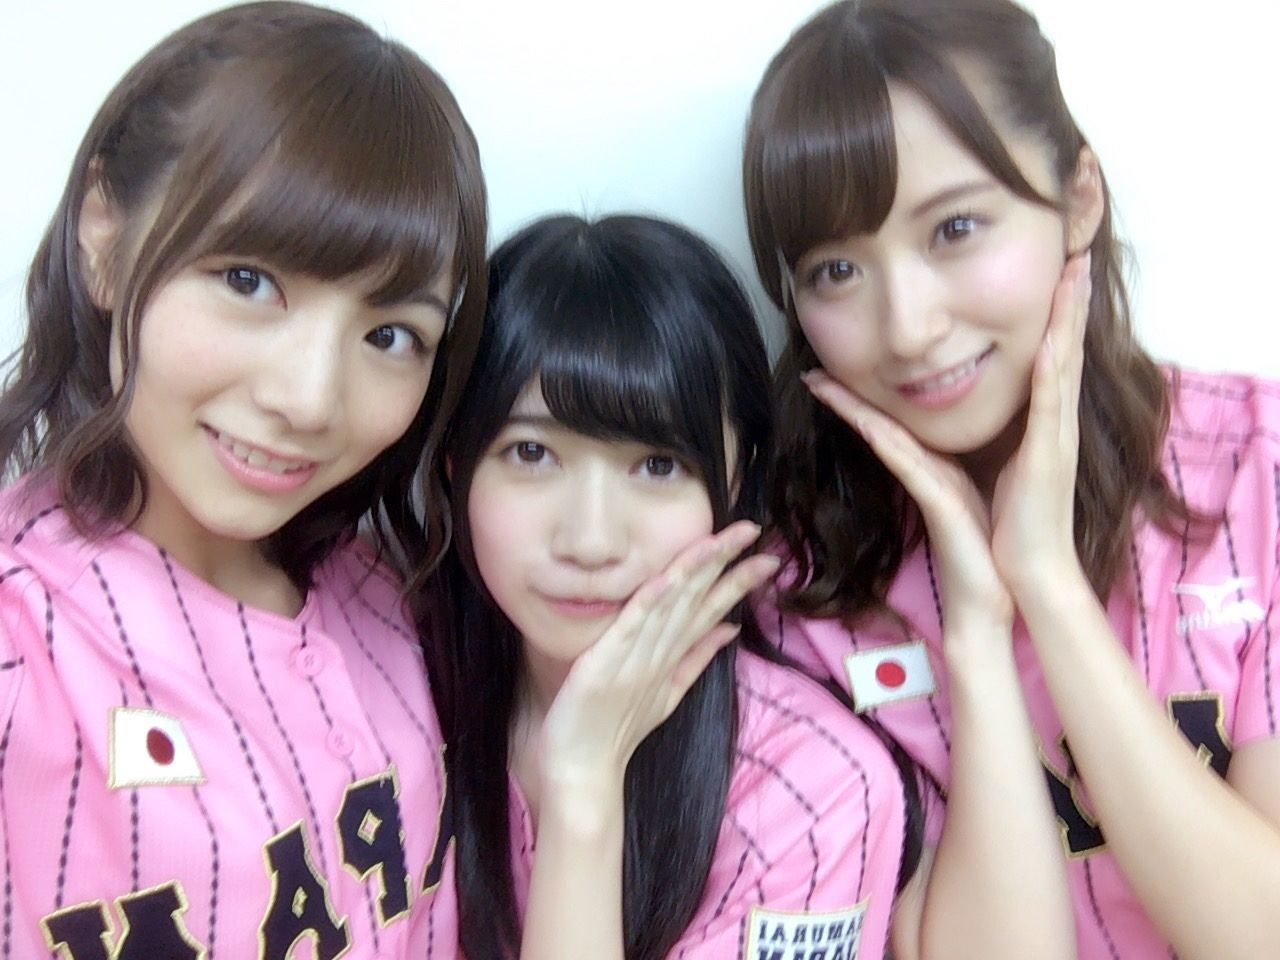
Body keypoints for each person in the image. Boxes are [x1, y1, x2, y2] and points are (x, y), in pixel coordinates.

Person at [742, 1, 1280, 958]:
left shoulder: (1259, 466)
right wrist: (979, 637)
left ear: (1078, 199)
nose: (909, 326)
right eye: (834, 271)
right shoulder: (797, 596)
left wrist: (1047, 582)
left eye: (954, 228)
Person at [0, 3, 486, 957]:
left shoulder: (391, 598)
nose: (309, 399)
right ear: (104, 235)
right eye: (249, 281)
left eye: (390, 334)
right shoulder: (23, 652)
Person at [424, 214, 914, 960]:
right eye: (531, 453)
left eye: (658, 466)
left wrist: (584, 783)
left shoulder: (813, 786)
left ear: (738, 482)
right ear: (455, 465)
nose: (590, 541)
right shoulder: (396, 691)